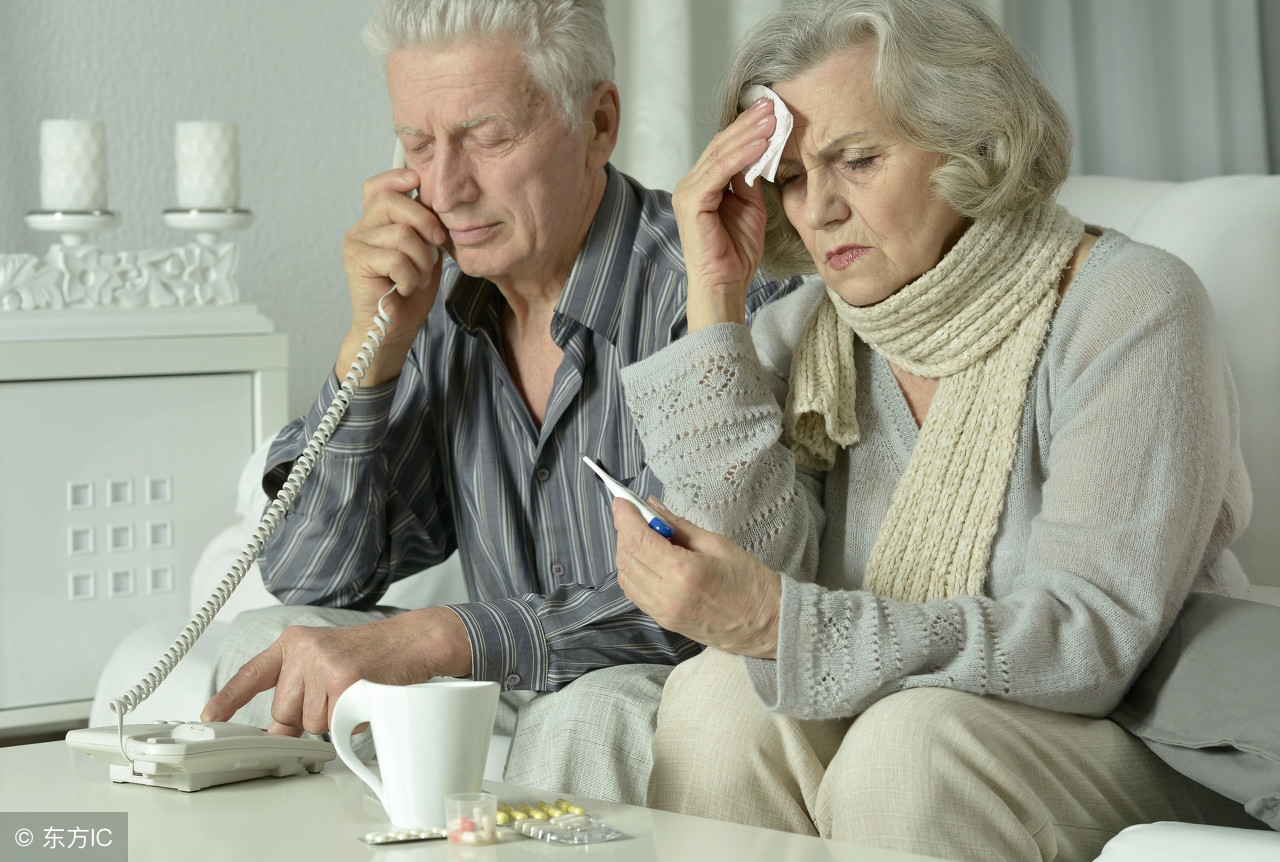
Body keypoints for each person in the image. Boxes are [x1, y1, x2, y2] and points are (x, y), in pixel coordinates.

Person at [609, 0, 1261, 858]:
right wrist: (715, 294)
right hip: (920, 724)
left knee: (909, 747)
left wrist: (784, 628)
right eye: (792, 177)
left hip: (1139, 733)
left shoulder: (1129, 304)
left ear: (970, 143)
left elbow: (1091, 644)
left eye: (857, 160)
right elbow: (757, 593)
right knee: (714, 700)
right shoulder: (802, 335)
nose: (819, 209)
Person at [199, 0, 797, 805]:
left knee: (586, 711)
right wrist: (370, 351)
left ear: (598, 124)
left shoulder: (719, 284)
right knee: (267, 643)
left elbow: (712, 593)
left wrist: (448, 635)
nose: (446, 188)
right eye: (418, 144)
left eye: (486, 137)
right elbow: (311, 576)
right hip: (505, 673)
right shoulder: (439, 302)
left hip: (665, 682)